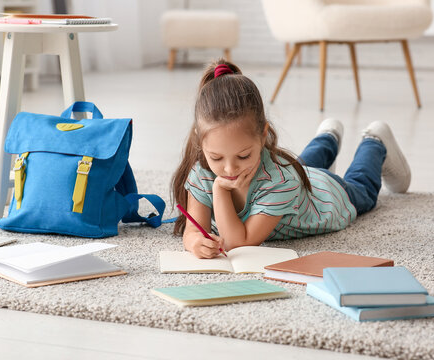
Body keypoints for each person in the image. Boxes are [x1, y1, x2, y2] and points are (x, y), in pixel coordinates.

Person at [171, 59, 411, 259]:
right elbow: (193, 230)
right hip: (300, 179)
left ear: (263, 135)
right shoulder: (202, 171)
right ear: (200, 142)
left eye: (243, 155)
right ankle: (328, 136)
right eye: (216, 157)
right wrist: (194, 243)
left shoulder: (281, 180)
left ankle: (375, 140)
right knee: (300, 167)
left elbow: (238, 243)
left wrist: (220, 189)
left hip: (329, 196)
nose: (229, 168)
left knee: (362, 187)